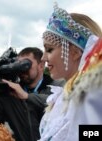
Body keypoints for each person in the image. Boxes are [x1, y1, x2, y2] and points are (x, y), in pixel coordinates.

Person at [39, 3, 102, 141]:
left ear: (74, 52)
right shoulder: (62, 97)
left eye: (49, 50)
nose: (43, 58)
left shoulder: (92, 98)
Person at [0, 47, 65, 141]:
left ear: (41, 65)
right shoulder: (11, 93)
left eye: (26, 65)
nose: (22, 70)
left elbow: (62, 103)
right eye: (18, 65)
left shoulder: (58, 86)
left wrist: (27, 96)